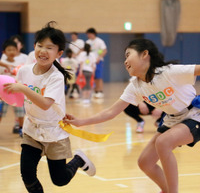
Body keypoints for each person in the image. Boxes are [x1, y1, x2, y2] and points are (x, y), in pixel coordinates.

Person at [63, 38, 200, 193]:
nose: (125, 61)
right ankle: (166, 189)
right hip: (172, 119)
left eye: (128, 55)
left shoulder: (169, 72)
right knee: (145, 162)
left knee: (163, 143)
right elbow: (110, 112)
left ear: (144, 54)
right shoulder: (135, 86)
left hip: (194, 115)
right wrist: (81, 122)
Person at [3, 21, 96, 193]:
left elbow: (45, 104)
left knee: (60, 180)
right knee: (27, 174)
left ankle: (78, 160)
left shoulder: (56, 77)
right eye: (40, 45)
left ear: (59, 53)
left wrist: (22, 88)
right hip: (32, 130)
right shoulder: (24, 71)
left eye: (49, 47)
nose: (43, 51)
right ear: (34, 47)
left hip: (54, 133)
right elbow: (16, 96)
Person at [0, 39, 25, 136]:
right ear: (4, 52)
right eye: (9, 50)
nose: (11, 52)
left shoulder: (20, 63)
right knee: (0, 112)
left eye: (13, 50)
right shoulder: (2, 62)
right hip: (3, 92)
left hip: (16, 91)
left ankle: (21, 129)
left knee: (20, 112)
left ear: (17, 50)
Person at [86, 28, 107, 98]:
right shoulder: (88, 42)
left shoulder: (99, 41)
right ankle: (96, 91)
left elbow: (104, 50)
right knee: (93, 77)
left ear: (93, 34)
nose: (88, 35)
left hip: (98, 61)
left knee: (99, 77)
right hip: (90, 62)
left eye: (89, 34)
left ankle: (100, 91)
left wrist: (99, 57)